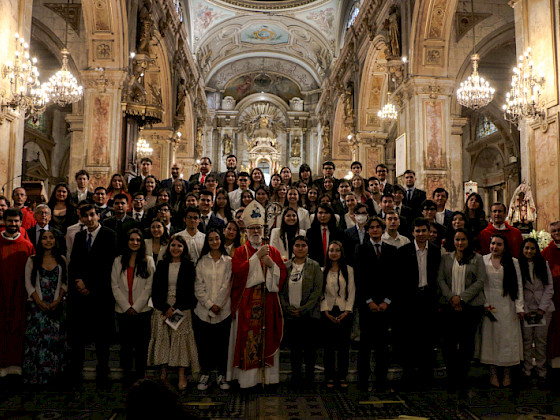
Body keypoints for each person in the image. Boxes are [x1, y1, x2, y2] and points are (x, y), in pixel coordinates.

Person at [227, 201, 287, 388]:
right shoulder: (239, 251)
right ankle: (247, 381)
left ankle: (267, 379)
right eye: (252, 228)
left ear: (263, 230)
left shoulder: (273, 251)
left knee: (267, 336)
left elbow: (282, 274)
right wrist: (256, 258)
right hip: (246, 304)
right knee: (247, 339)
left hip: (267, 302)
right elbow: (237, 274)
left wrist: (271, 265)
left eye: (258, 228)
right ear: (245, 231)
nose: (255, 232)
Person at [68, 204, 117, 389]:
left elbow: (108, 265)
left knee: (101, 338)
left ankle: (102, 374)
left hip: (101, 294)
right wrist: (78, 282)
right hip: (80, 295)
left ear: (98, 216)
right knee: (78, 337)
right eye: (85, 216)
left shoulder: (109, 235)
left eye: (92, 215)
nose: (89, 219)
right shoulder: (80, 236)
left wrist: (90, 286)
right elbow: (74, 263)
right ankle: (76, 373)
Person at [437, 228, 486, 392]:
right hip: (449, 306)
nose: (460, 243)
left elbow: (480, 281)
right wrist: (452, 297)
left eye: (463, 239)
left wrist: (462, 298)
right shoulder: (446, 258)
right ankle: (451, 377)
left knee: (466, 344)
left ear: (468, 241)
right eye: (457, 240)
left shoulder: (477, 259)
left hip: (470, 307)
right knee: (449, 344)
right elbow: (441, 279)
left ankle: (463, 377)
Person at [148, 235, 199, 390]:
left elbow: (191, 291)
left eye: (179, 246)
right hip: (163, 308)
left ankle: (181, 375)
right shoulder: (162, 264)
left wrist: (175, 309)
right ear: (169, 247)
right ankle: (163, 374)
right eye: (173, 245)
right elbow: (155, 288)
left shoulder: (189, 266)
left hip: (182, 308)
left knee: (180, 341)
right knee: (164, 339)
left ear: (184, 249)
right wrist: (165, 308)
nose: (176, 248)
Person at [397, 218, 442, 387]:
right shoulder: (403, 251)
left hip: (429, 298)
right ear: (412, 232)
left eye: (424, 231)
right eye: (418, 231)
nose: (421, 234)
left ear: (429, 232)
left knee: (428, 338)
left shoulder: (436, 251)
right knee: (410, 338)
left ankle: (426, 376)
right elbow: (399, 280)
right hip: (410, 300)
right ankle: (408, 375)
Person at [355, 217, 397, 391]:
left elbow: (395, 279)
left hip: (386, 305)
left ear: (382, 229)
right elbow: (359, 278)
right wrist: (369, 301)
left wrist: (387, 301)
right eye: (371, 228)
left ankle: (381, 381)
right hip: (367, 305)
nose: (374, 230)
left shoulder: (392, 250)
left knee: (382, 346)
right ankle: (363, 382)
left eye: (377, 227)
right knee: (364, 345)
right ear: (368, 231)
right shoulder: (360, 249)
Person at [23, 230, 68, 385]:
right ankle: (36, 379)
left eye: (51, 238)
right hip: (37, 307)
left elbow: (65, 283)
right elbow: (28, 284)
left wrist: (58, 300)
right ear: (40, 241)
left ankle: (54, 378)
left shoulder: (62, 259)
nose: (48, 241)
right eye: (44, 238)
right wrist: (39, 302)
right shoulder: (32, 260)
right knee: (37, 342)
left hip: (56, 306)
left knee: (55, 342)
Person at [111, 228, 155, 387]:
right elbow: (114, 285)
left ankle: (140, 378)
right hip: (122, 311)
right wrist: (126, 306)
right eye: (132, 239)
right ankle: (127, 378)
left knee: (142, 347)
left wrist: (136, 307)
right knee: (126, 347)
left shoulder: (148, 260)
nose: (135, 243)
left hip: (142, 311)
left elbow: (149, 287)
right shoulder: (118, 260)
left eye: (138, 240)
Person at [481, 234, 524, 387]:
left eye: (499, 244)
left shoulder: (513, 262)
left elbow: (518, 286)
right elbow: (481, 284)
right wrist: (484, 304)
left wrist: (519, 307)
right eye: (493, 243)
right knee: (491, 340)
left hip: (508, 306)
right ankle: (493, 374)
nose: (495, 247)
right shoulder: (483, 260)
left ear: (504, 247)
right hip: (490, 305)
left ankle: (507, 374)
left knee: (507, 340)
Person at [280, 236, 323, 384]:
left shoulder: (314, 266)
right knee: (295, 350)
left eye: (303, 245)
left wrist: (304, 309)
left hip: (309, 315)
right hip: (291, 315)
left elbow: (317, 291)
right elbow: (280, 290)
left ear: (308, 248)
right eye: (297, 245)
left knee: (310, 350)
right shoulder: (285, 266)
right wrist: (287, 307)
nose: (300, 248)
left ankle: (309, 378)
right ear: (292, 248)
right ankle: (296, 377)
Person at [193, 229, 233, 391]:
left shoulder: (228, 261)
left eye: (217, 238)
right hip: (203, 311)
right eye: (211, 239)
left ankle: (222, 375)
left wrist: (218, 305)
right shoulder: (202, 261)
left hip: (224, 311)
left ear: (221, 240)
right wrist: (210, 305)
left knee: (222, 345)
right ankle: (206, 374)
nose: (214, 242)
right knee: (205, 345)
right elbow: (198, 286)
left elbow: (227, 285)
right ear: (207, 242)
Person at [0, 208, 35, 378]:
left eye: (16, 221)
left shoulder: (27, 246)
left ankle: (16, 365)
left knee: (17, 329)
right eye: (10, 221)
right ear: (4, 222)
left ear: (21, 223)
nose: (13, 224)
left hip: (19, 296)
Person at [518, 238, 555, 382]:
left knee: (541, 341)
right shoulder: (518, 265)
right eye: (527, 248)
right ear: (522, 250)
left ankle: (541, 371)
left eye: (532, 248)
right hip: (526, 309)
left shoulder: (543, 264)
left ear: (537, 250)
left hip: (543, 309)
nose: (529, 251)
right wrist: (524, 309)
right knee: (527, 341)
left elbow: (549, 287)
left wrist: (541, 309)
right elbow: (518, 290)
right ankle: (527, 370)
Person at [321, 240, 355, 388]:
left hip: (344, 311)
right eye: (331, 250)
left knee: (343, 347)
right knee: (328, 346)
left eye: (337, 250)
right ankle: (329, 376)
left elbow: (352, 291)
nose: (334, 253)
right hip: (328, 311)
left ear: (341, 253)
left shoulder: (349, 270)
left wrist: (347, 311)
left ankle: (342, 376)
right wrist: (325, 310)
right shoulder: (322, 270)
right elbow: (320, 292)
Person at [542, 221, 560, 372]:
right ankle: (553, 361)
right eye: (553, 231)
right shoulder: (546, 253)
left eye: (559, 230)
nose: (557, 233)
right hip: (554, 297)